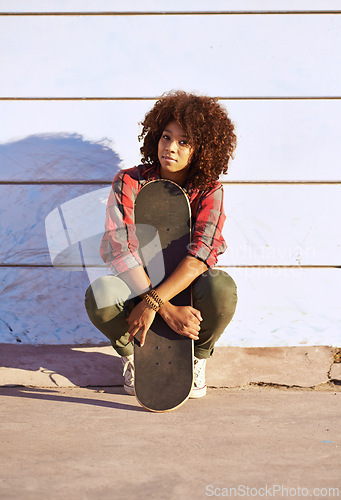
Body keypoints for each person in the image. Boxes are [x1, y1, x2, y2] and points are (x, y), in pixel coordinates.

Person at [85, 90, 238, 398]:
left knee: (222, 287)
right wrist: (162, 307)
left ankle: (197, 358)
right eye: (166, 137)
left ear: (202, 150)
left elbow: (201, 254)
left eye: (184, 142)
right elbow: (121, 249)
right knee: (101, 293)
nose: (170, 147)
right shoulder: (128, 182)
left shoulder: (209, 191)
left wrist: (155, 303)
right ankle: (132, 356)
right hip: (137, 287)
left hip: (187, 291)